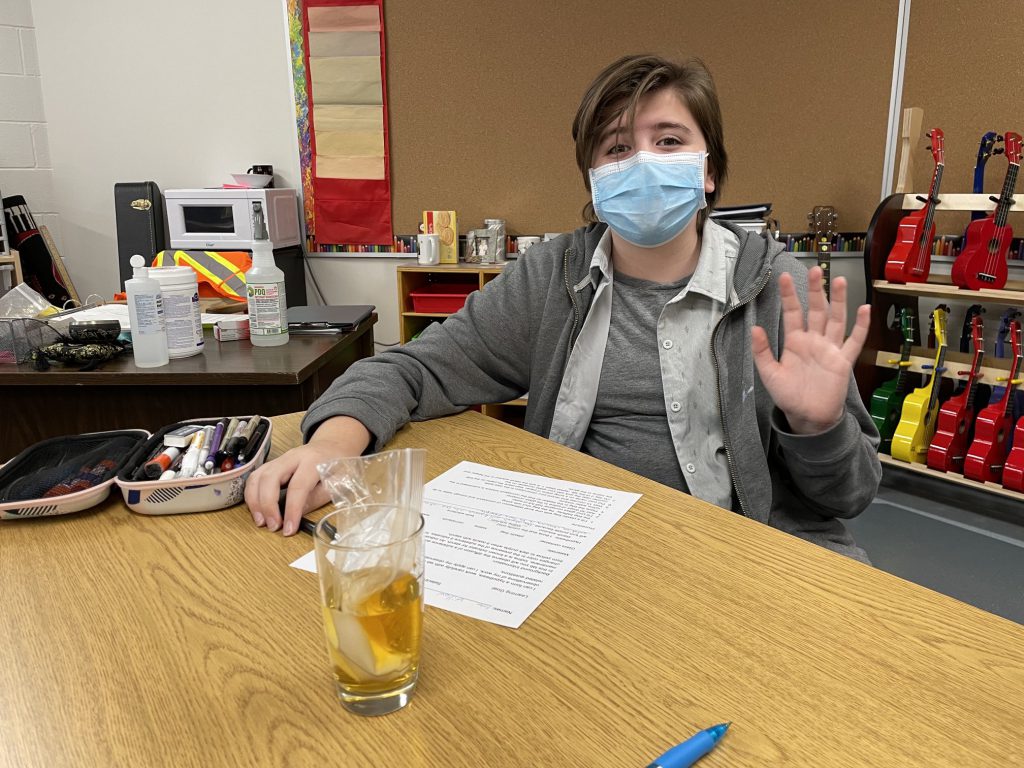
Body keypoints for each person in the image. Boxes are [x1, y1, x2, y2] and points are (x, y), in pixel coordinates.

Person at [246, 54, 881, 561]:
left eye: (668, 140)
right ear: (594, 180)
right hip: (583, 553)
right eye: (616, 149)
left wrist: (817, 427)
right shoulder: (554, 277)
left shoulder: (778, 288)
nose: (644, 164)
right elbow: (416, 368)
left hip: (744, 554)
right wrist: (335, 441)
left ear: (708, 170)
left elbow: (847, 497)